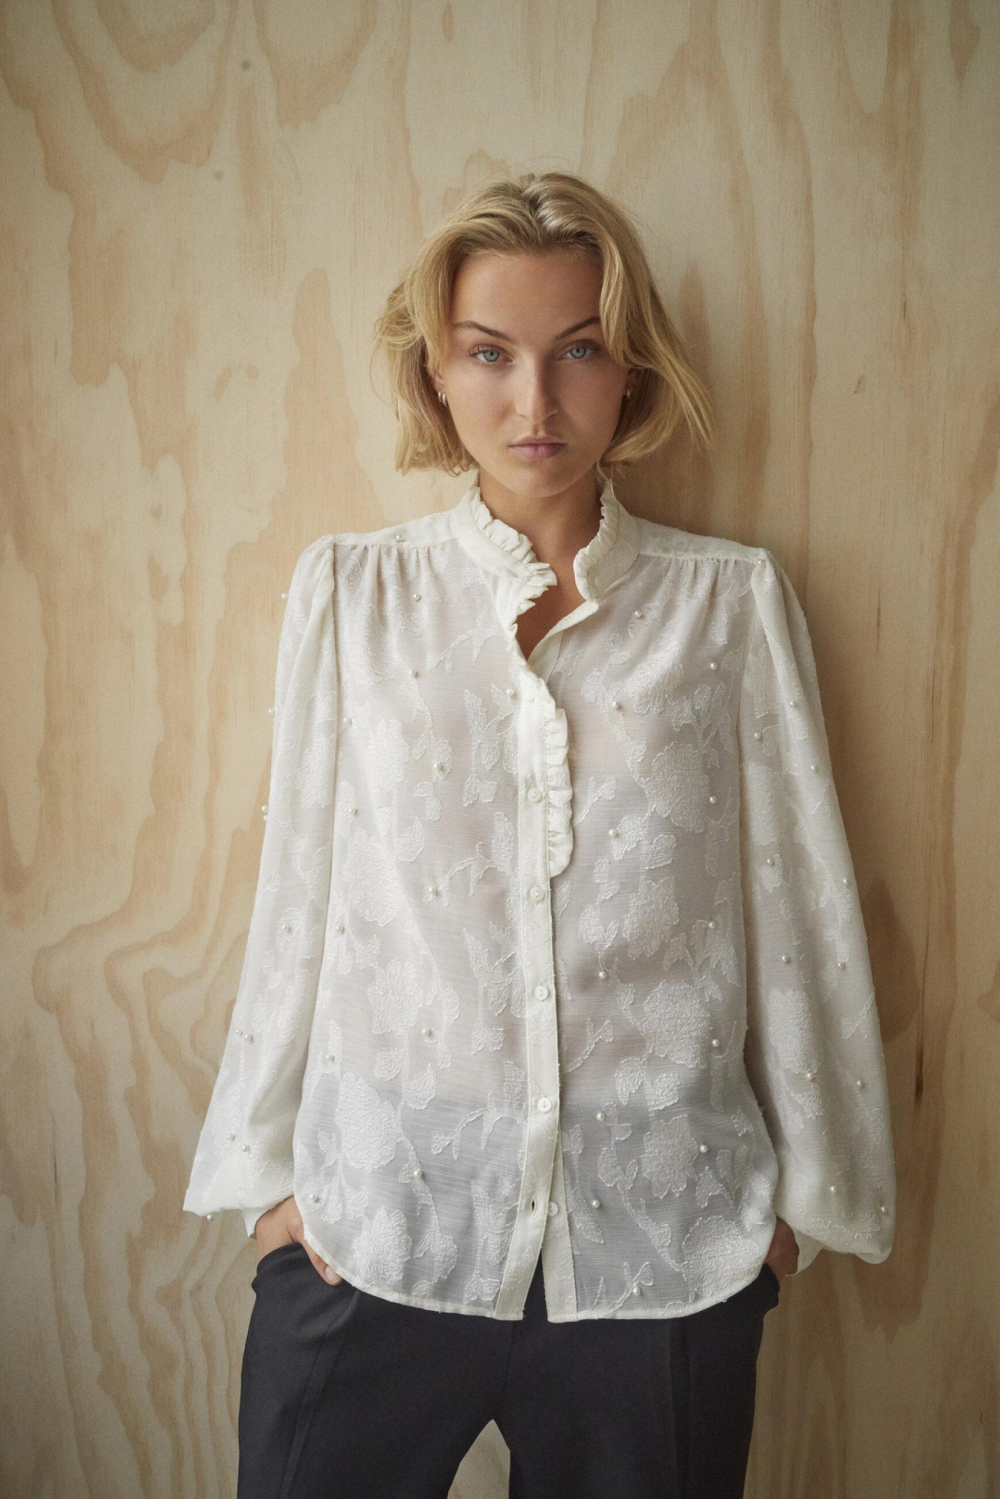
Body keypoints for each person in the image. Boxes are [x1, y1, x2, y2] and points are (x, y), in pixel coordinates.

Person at [183, 171, 896, 1499]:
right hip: (378, 1225)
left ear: (631, 369)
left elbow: (796, 905)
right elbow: (301, 891)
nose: (535, 404)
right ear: (435, 374)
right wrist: (272, 1184)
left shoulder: (729, 606)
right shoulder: (355, 593)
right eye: (489, 354)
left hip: (662, 1252)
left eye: (577, 351)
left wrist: (802, 1203)